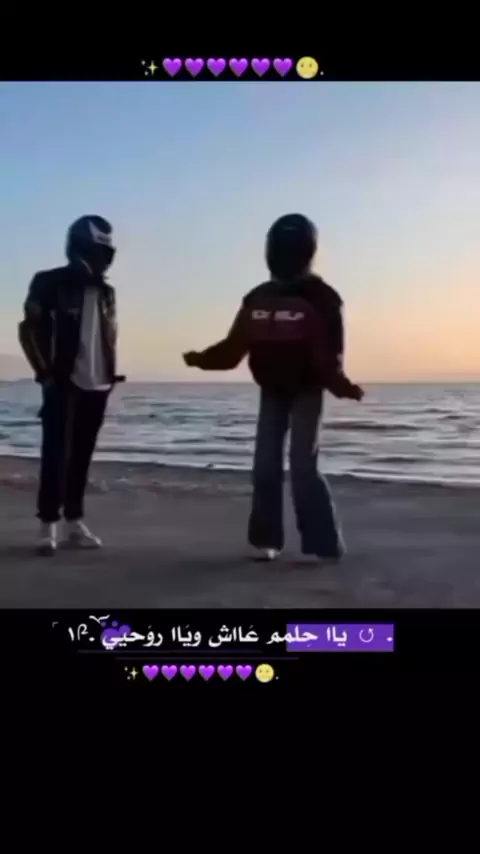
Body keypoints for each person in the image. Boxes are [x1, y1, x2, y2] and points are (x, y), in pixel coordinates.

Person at [183, 213, 364, 562]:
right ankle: (266, 539)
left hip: (308, 388)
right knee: (265, 465)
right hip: (272, 389)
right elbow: (234, 346)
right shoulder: (258, 297)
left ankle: (323, 544)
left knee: (302, 466)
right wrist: (201, 359)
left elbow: (331, 354)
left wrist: (342, 386)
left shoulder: (323, 298)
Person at [18, 215, 125, 555]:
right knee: (56, 455)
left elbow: (108, 336)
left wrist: (109, 374)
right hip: (63, 383)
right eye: (95, 251)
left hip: (98, 384)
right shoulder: (48, 282)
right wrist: (45, 374)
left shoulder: (107, 292)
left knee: (81, 457)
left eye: (105, 253)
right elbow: (27, 330)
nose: (101, 258)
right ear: (78, 247)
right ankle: (47, 524)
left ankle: (74, 522)